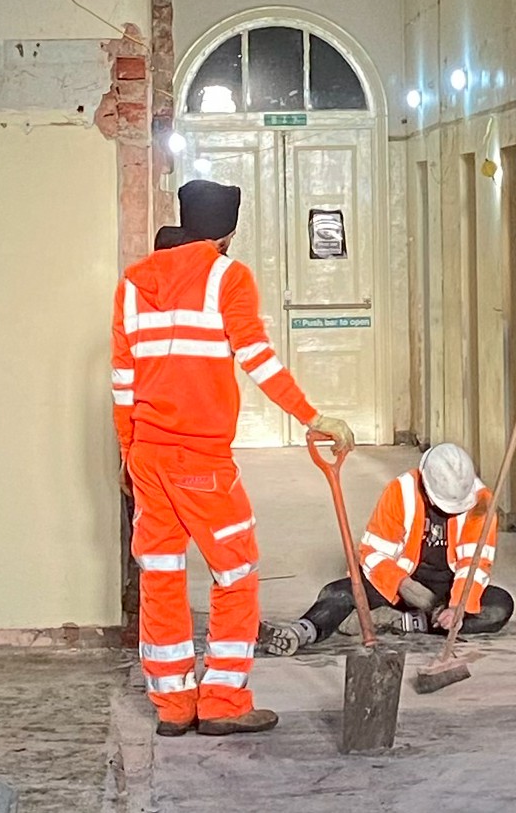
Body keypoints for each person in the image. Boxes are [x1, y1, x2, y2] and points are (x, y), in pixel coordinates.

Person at [112, 178, 355, 737]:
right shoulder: (227, 277)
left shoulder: (132, 285)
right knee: (236, 573)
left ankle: (173, 706)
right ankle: (222, 699)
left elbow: (122, 382)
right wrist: (313, 416)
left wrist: (129, 454)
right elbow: (259, 359)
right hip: (201, 458)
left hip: (148, 456)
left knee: (162, 576)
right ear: (226, 232)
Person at [258, 442, 513, 656]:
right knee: (338, 592)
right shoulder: (400, 491)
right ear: (426, 485)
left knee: (499, 606)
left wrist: (458, 606)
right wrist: (406, 588)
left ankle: (402, 622)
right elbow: (373, 554)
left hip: (445, 592)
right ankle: (301, 631)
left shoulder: (480, 502)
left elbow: (475, 563)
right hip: (398, 586)